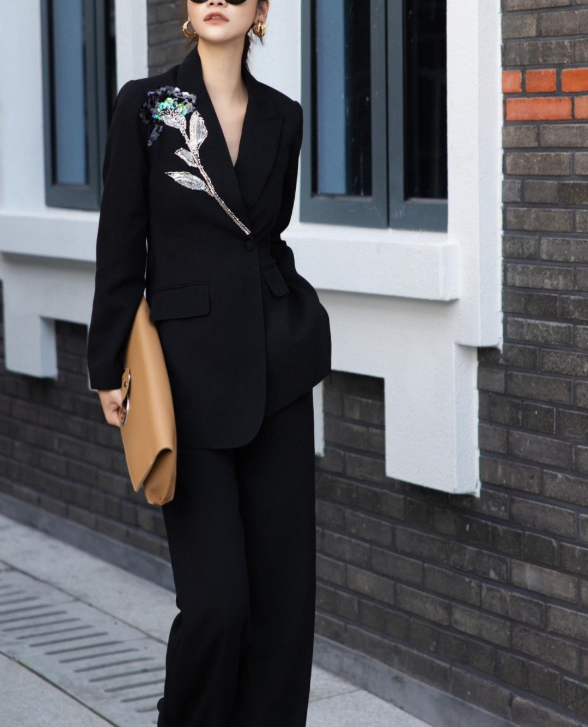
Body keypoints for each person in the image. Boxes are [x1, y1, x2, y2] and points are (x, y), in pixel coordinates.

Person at [86, 1, 332, 725]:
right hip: (186, 380)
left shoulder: (284, 116)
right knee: (217, 604)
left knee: (283, 605)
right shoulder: (145, 106)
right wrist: (107, 363)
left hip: (278, 371)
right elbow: (121, 243)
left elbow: (265, 237)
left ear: (261, 9)